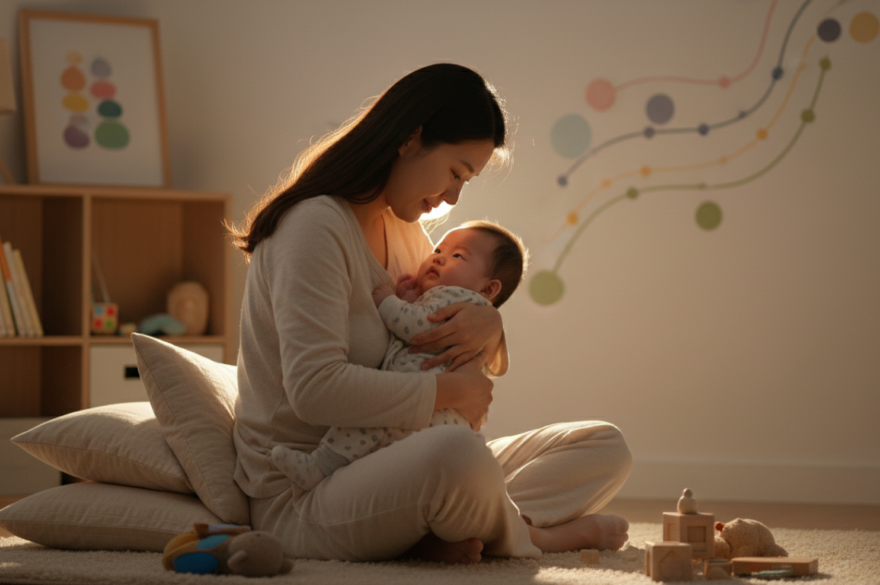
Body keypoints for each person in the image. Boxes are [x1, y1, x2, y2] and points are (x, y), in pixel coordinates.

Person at [228, 62, 633, 564]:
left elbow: (442, 317)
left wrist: (492, 321)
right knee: (457, 457)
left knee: (602, 445)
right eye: (456, 173)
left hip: (396, 456)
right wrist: (449, 392)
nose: (453, 197)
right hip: (310, 485)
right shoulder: (313, 228)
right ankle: (533, 536)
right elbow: (314, 390)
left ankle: (454, 524)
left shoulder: (406, 234)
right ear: (410, 139)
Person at [271, 220, 528, 490]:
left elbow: (416, 327)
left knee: (359, 428)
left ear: (489, 289)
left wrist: (389, 302)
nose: (438, 258)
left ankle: (319, 466)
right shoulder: (455, 300)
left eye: (457, 256)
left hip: (423, 412)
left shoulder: (454, 297)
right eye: (439, 250)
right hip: (442, 418)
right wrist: (411, 298)